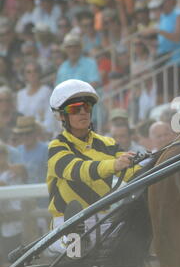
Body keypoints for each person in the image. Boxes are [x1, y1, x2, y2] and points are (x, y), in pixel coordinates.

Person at [46, 79, 145, 254]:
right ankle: (74, 243)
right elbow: (78, 170)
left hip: (104, 220)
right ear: (61, 115)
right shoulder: (57, 146)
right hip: (66, 223)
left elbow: (135, 172)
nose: (83, 112)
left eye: (87, 107)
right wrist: (114, 164)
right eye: (75, 109)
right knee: (76, 249)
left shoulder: (108, 143)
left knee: (137, 240)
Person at [0, 142, 26, 266]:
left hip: (15, 221)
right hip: (4, 223)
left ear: (5, 155)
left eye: (1, 154)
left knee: (16, 258)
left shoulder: (16, 170)